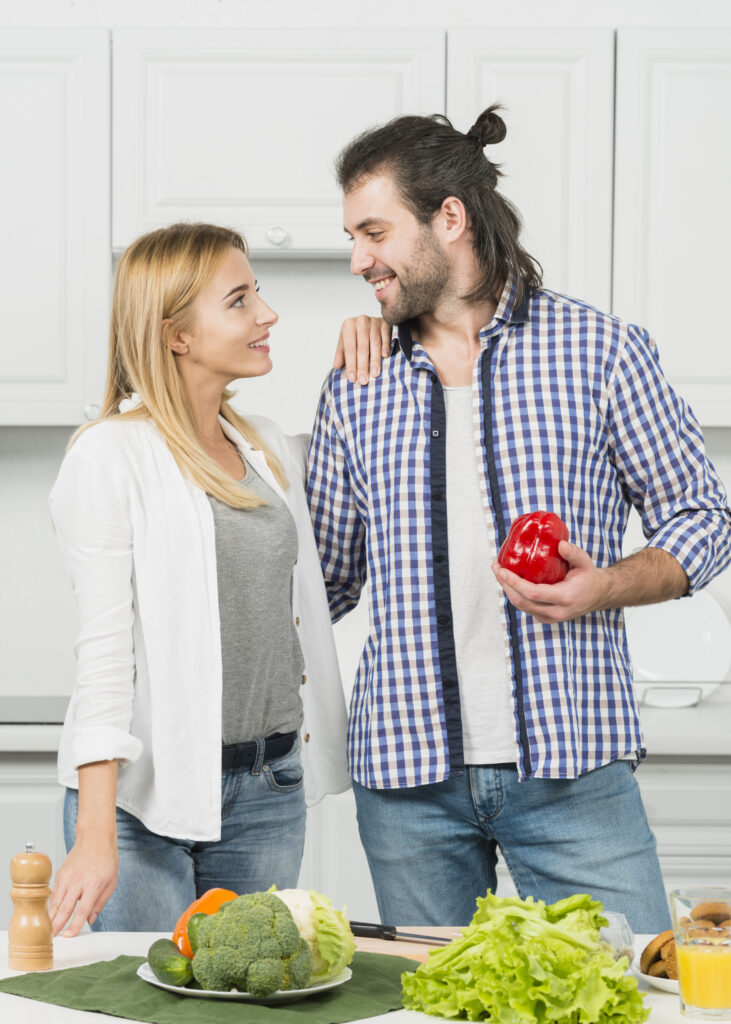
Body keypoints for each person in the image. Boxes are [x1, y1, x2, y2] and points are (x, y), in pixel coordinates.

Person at [306, 107, 731, 932]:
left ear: (450, 219)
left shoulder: (601, 351)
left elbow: (703, 515)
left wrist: (606, 585)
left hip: (572, 768)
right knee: (431, 1012)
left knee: (622, 1003)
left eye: (374, 232)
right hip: (406, 782)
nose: (358, 260)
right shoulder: (356, 381)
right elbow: (321, 579)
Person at [48, 222, 375, 936]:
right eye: (239, 300)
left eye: (258, 291)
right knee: (146, 1006)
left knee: (243, 1007)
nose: (267, 314)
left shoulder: (264, 445)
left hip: (269, 789)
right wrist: (96, 837)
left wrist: (379, 334)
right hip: (142, 803)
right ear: (175, 335)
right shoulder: (109, 456)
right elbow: (104, 661)